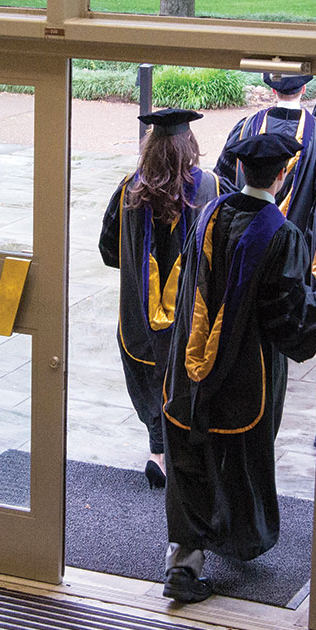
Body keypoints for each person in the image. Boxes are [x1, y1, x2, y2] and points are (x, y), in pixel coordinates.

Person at [161, 132, 316, 603]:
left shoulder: (208, 214)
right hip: (244, 376)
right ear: (282, 175)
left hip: (187, 372)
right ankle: (237, 539)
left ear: (239, 171)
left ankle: (184, 560)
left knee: (190, 457)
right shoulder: (282, 235)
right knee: (237, 460)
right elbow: (287, 318)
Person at [98, 108, 223, 490]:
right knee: (187, 380)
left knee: (151, 379)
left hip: (139, 320)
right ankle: (185, 454)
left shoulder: (129, 190)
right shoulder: (212, 189)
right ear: (191, 146)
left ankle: (158, 454)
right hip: (190, 319)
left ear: (148, 147)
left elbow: (108, 251)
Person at [214, 72, 316, 285]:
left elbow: (222, 182)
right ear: (304, 90)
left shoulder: (247, 127)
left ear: (273, 90)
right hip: (297, 257)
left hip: (243, 247)